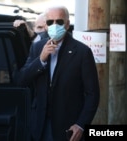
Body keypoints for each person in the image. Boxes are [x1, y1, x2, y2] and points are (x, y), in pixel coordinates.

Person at [16, 5, 100, 141]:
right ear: (46, 26)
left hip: (68, 126)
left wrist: (81, 124)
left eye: (59, 22)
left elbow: (92, 94)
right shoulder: (37, 47)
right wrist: (41, 60)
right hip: (39, 125)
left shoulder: (82, 52)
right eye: (50, 22)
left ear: (67, 25)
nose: (54, 25)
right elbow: (21, 80)